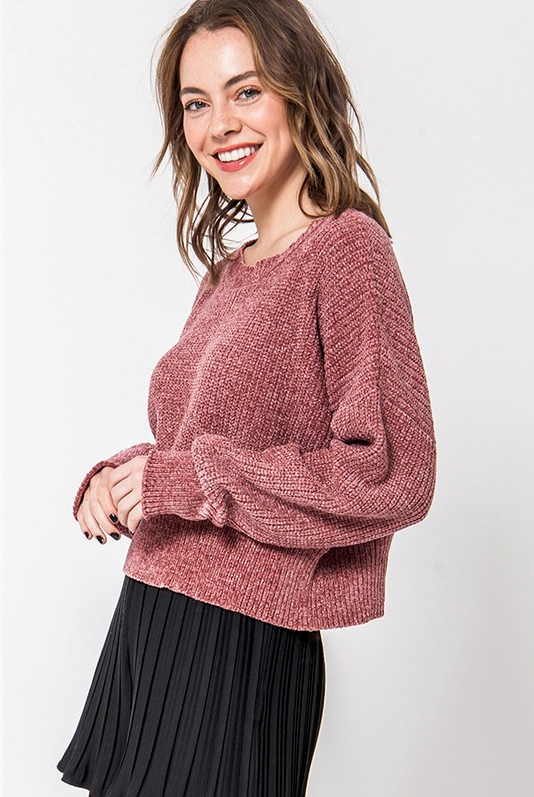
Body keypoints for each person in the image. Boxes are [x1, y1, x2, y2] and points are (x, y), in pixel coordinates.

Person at [56, 0, 437, 795]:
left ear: (300, 89)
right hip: (152, 616)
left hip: (238, 643)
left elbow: (390, 473)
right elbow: (198, 451)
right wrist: (125, 477)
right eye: (196, 103)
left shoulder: (347, 250)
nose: (220, 125)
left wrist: (186, 479)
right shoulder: (227, 274)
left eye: (246, 91)